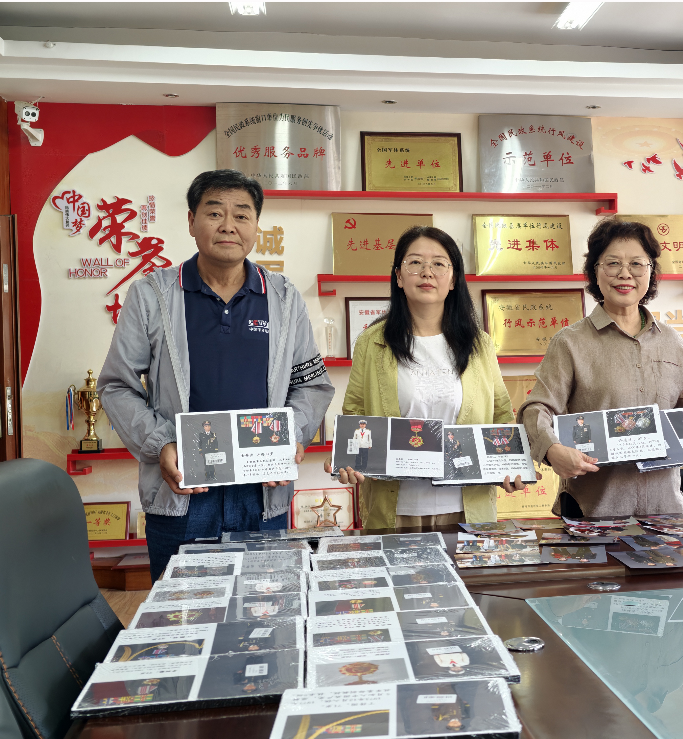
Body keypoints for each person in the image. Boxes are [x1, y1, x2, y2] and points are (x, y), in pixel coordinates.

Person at [98, 169, 334, 581]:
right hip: (183, 494)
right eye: (214, 213)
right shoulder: (152, 295)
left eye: (242, 215)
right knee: (183, 611)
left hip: (262, 495)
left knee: (265, 604)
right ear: (192, 222)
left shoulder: (283, 297)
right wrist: (161, 443)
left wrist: (290, 436)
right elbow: (117, 386)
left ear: (257, 226)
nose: (228, 225)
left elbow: (311, 384)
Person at [518, 218, 683, 518]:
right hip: (593, 508)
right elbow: (537, 408)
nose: (625, 274)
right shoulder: (569, 342)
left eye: (636, 264)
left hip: (664, 509)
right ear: (595, 271)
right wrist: (552, 450)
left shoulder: (672, 342)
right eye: (613, 263)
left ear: (651, 272)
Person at [326, 226, 531, 530]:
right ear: (398, 276)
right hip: (395, 508)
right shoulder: (372, 342)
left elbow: (501, 414)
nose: (427, 272)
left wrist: (511, 466)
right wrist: (346, 459)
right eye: (415, 262)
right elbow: (355, 413)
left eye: (438, 263)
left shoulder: (479, 344)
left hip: (467, 507)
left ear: (453, 279)